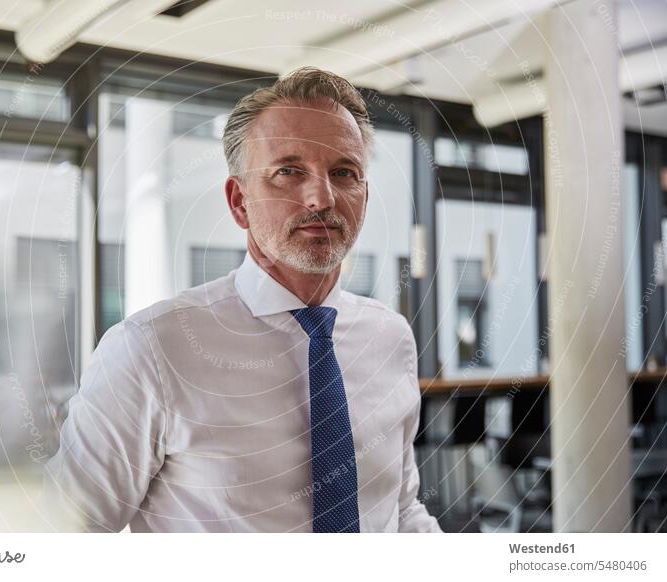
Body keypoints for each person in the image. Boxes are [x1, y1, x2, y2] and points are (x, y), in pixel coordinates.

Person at [40, 66, 442, 533]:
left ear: (365, 198)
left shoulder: (389, 338)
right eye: (289, 171)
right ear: (239, 202)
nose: (321, 196)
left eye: (343, 172)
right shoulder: (151, 349)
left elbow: (399, 508)